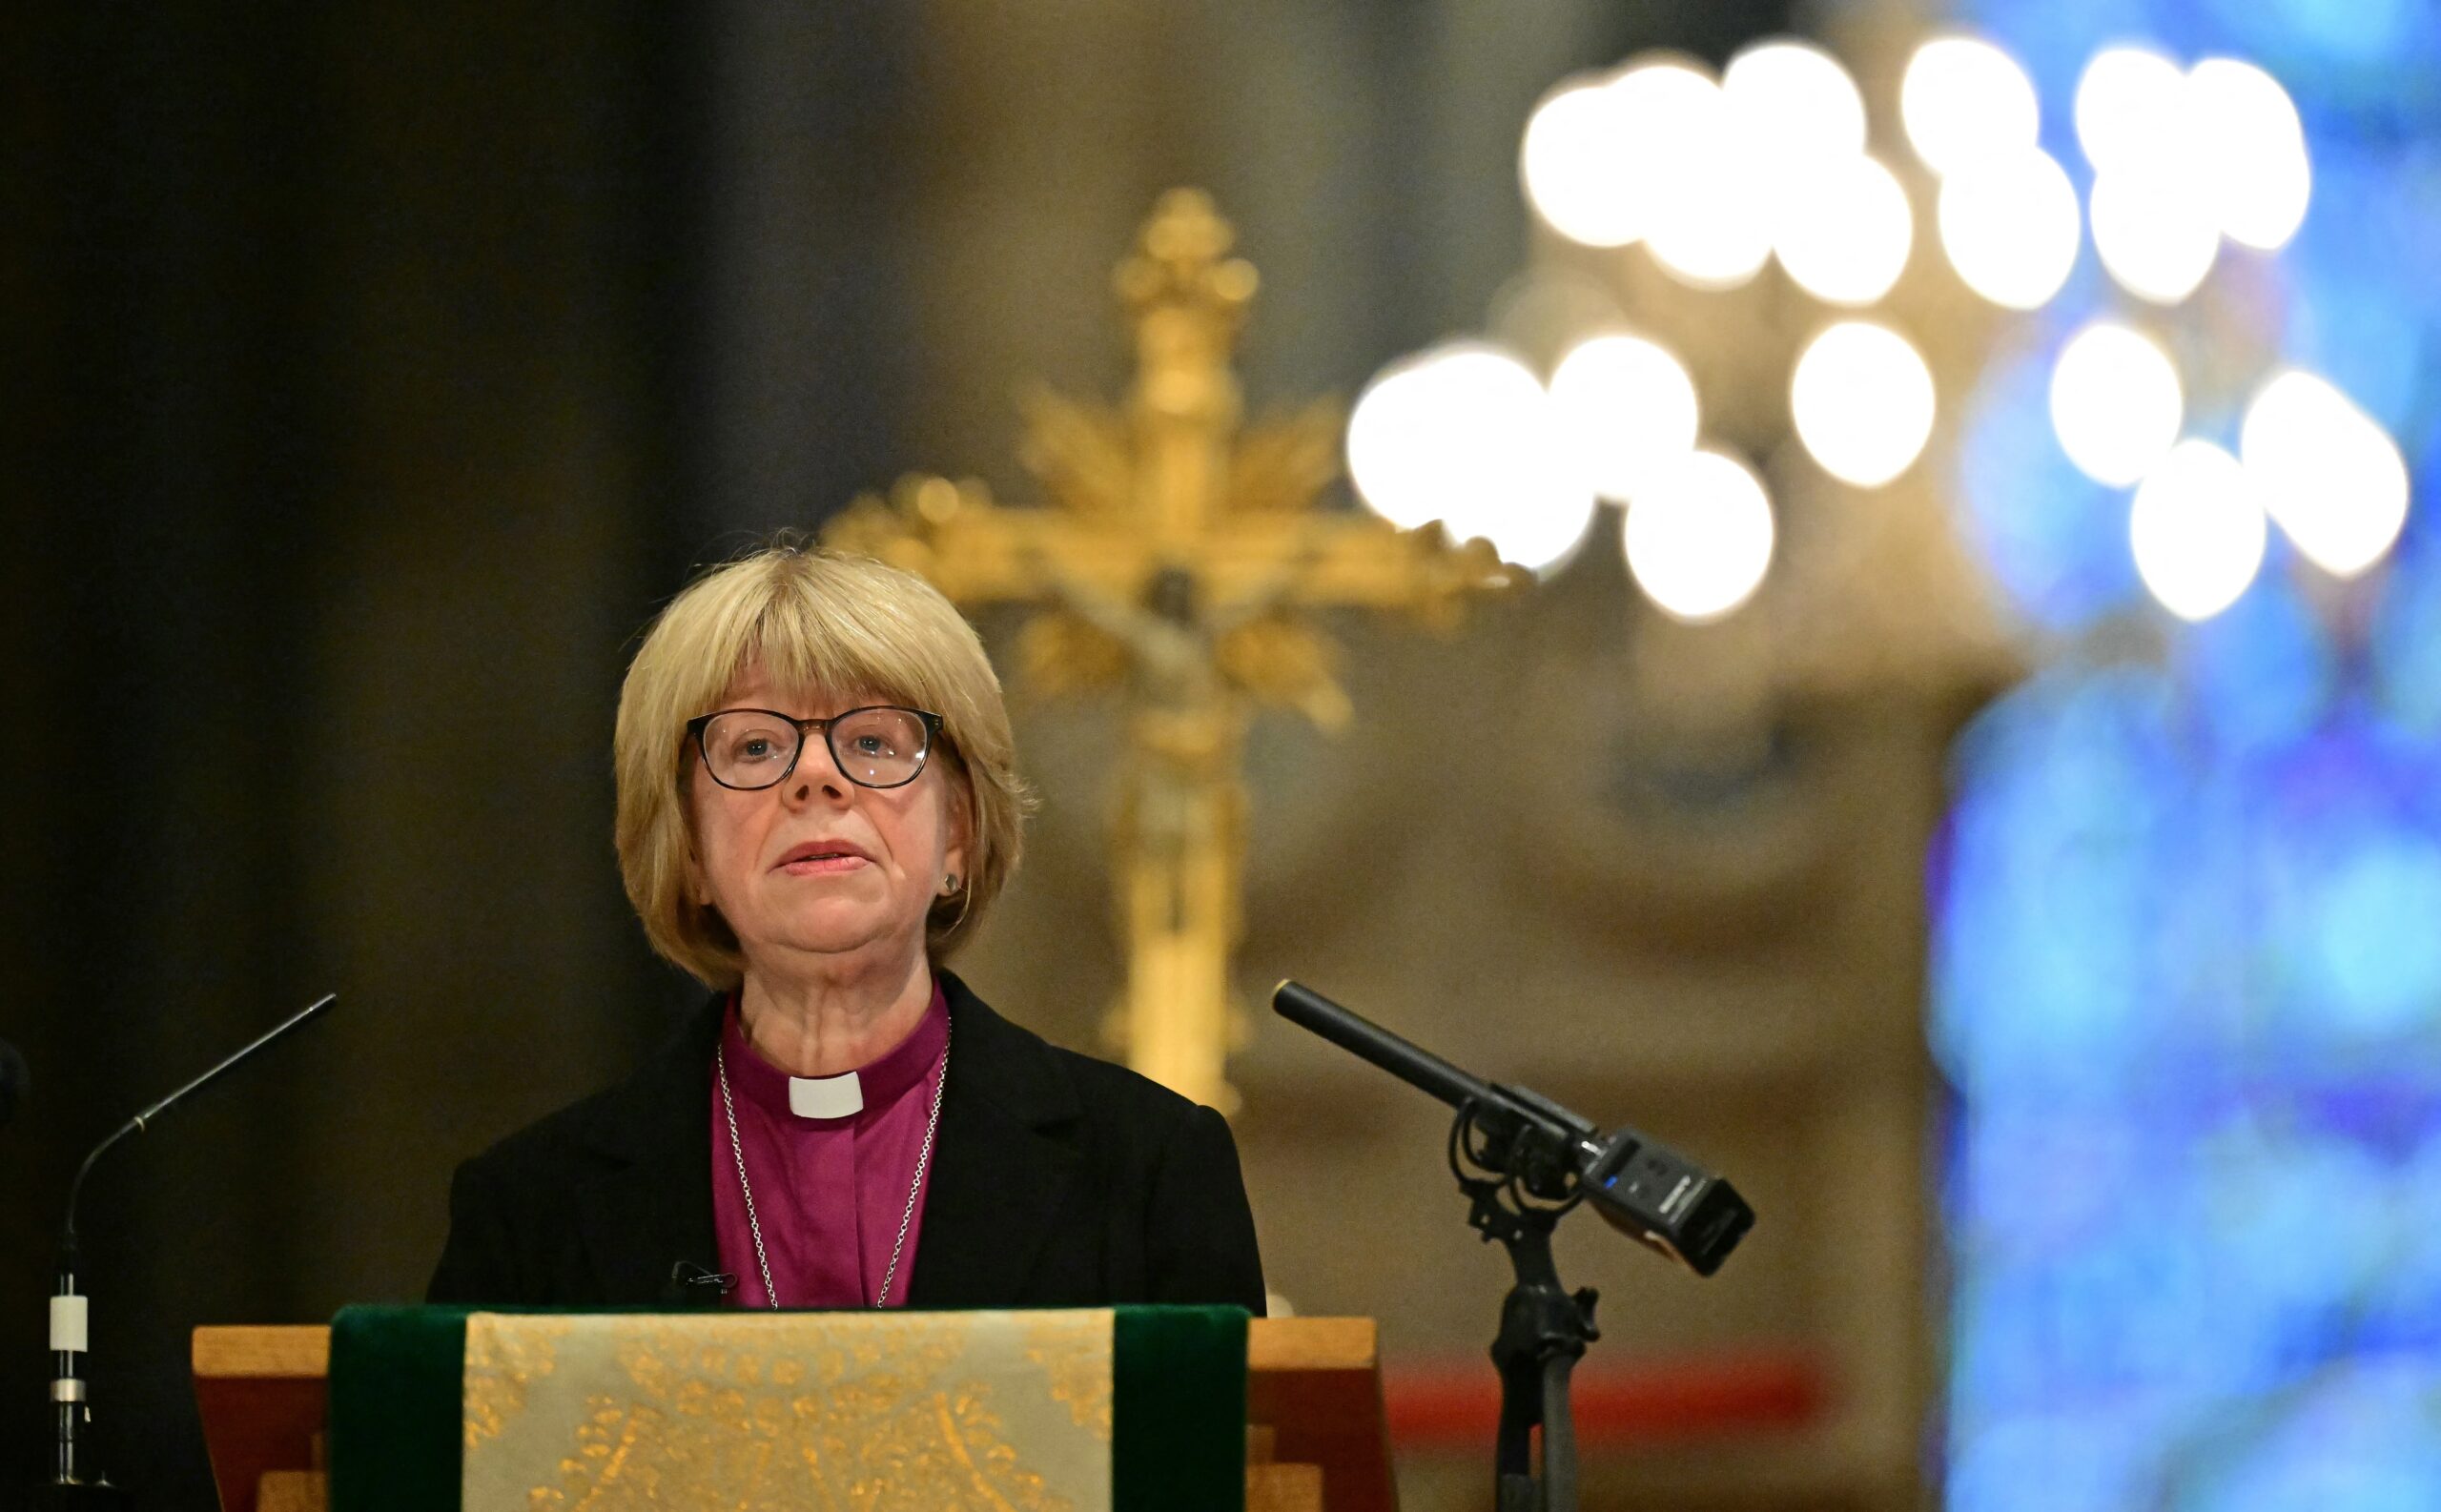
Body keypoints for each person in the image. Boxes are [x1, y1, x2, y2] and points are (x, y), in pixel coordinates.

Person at [426, 543, 1265, 1313]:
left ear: (960, 836)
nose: (817, 778)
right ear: (686, 850)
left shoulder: (1149, 1172)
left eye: (872, 741)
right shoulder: (533, 1209)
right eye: (754, 748)